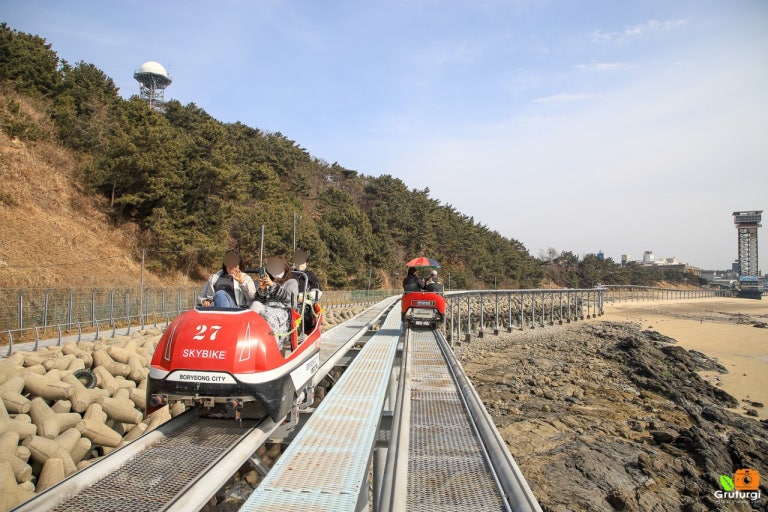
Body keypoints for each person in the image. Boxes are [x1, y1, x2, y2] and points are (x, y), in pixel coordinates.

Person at [250, 255, 299, 349]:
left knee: (269, 315)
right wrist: (262, 290)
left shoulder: (291, 282)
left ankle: (275, 347)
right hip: (266, 307)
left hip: (283, 310)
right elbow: (258, 300)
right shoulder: (266, 281)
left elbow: (290, 298)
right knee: (255, 304)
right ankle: (249, 337)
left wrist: (273, 285)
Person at [293, 249, 323, 334]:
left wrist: (304, 297)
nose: (299, 264)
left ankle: (303, 331)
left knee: (304, 310)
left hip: (304, 302)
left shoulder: (310, 275)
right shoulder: (290, 274)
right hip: (290, 299)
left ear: (307, 263)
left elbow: (317, 290)